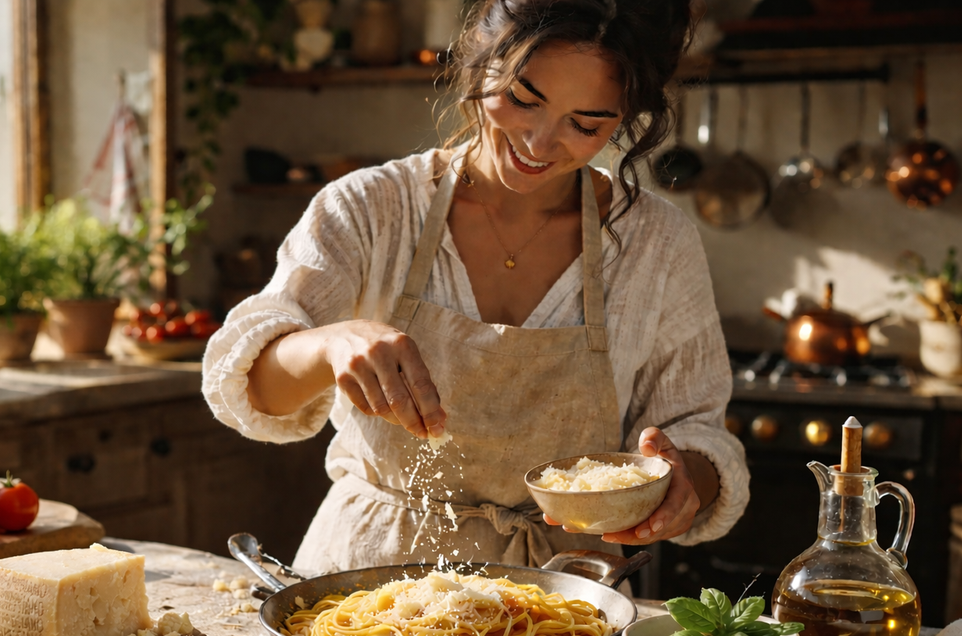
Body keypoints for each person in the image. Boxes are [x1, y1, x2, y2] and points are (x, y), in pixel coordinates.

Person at [203, 0, 748, 575]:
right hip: (361, 584)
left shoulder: (656, 242)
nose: (538, 143)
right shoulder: (370, 208)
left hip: (565, 597)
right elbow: (253, 389)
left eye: (586, 124)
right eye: (521, 99)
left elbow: (696, 432)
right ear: (478, 63)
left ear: (626, 118)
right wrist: (331, 345)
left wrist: (685, 481)